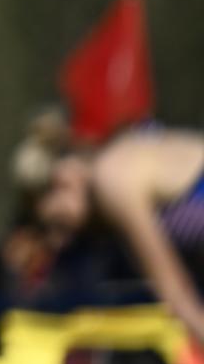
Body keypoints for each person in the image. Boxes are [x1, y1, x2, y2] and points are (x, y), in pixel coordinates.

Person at [37, 125, 204, 344]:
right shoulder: (126, 154)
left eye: (59, 225)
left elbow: (174, 292)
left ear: (64, 176)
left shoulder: (110, 178)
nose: (59, 242)